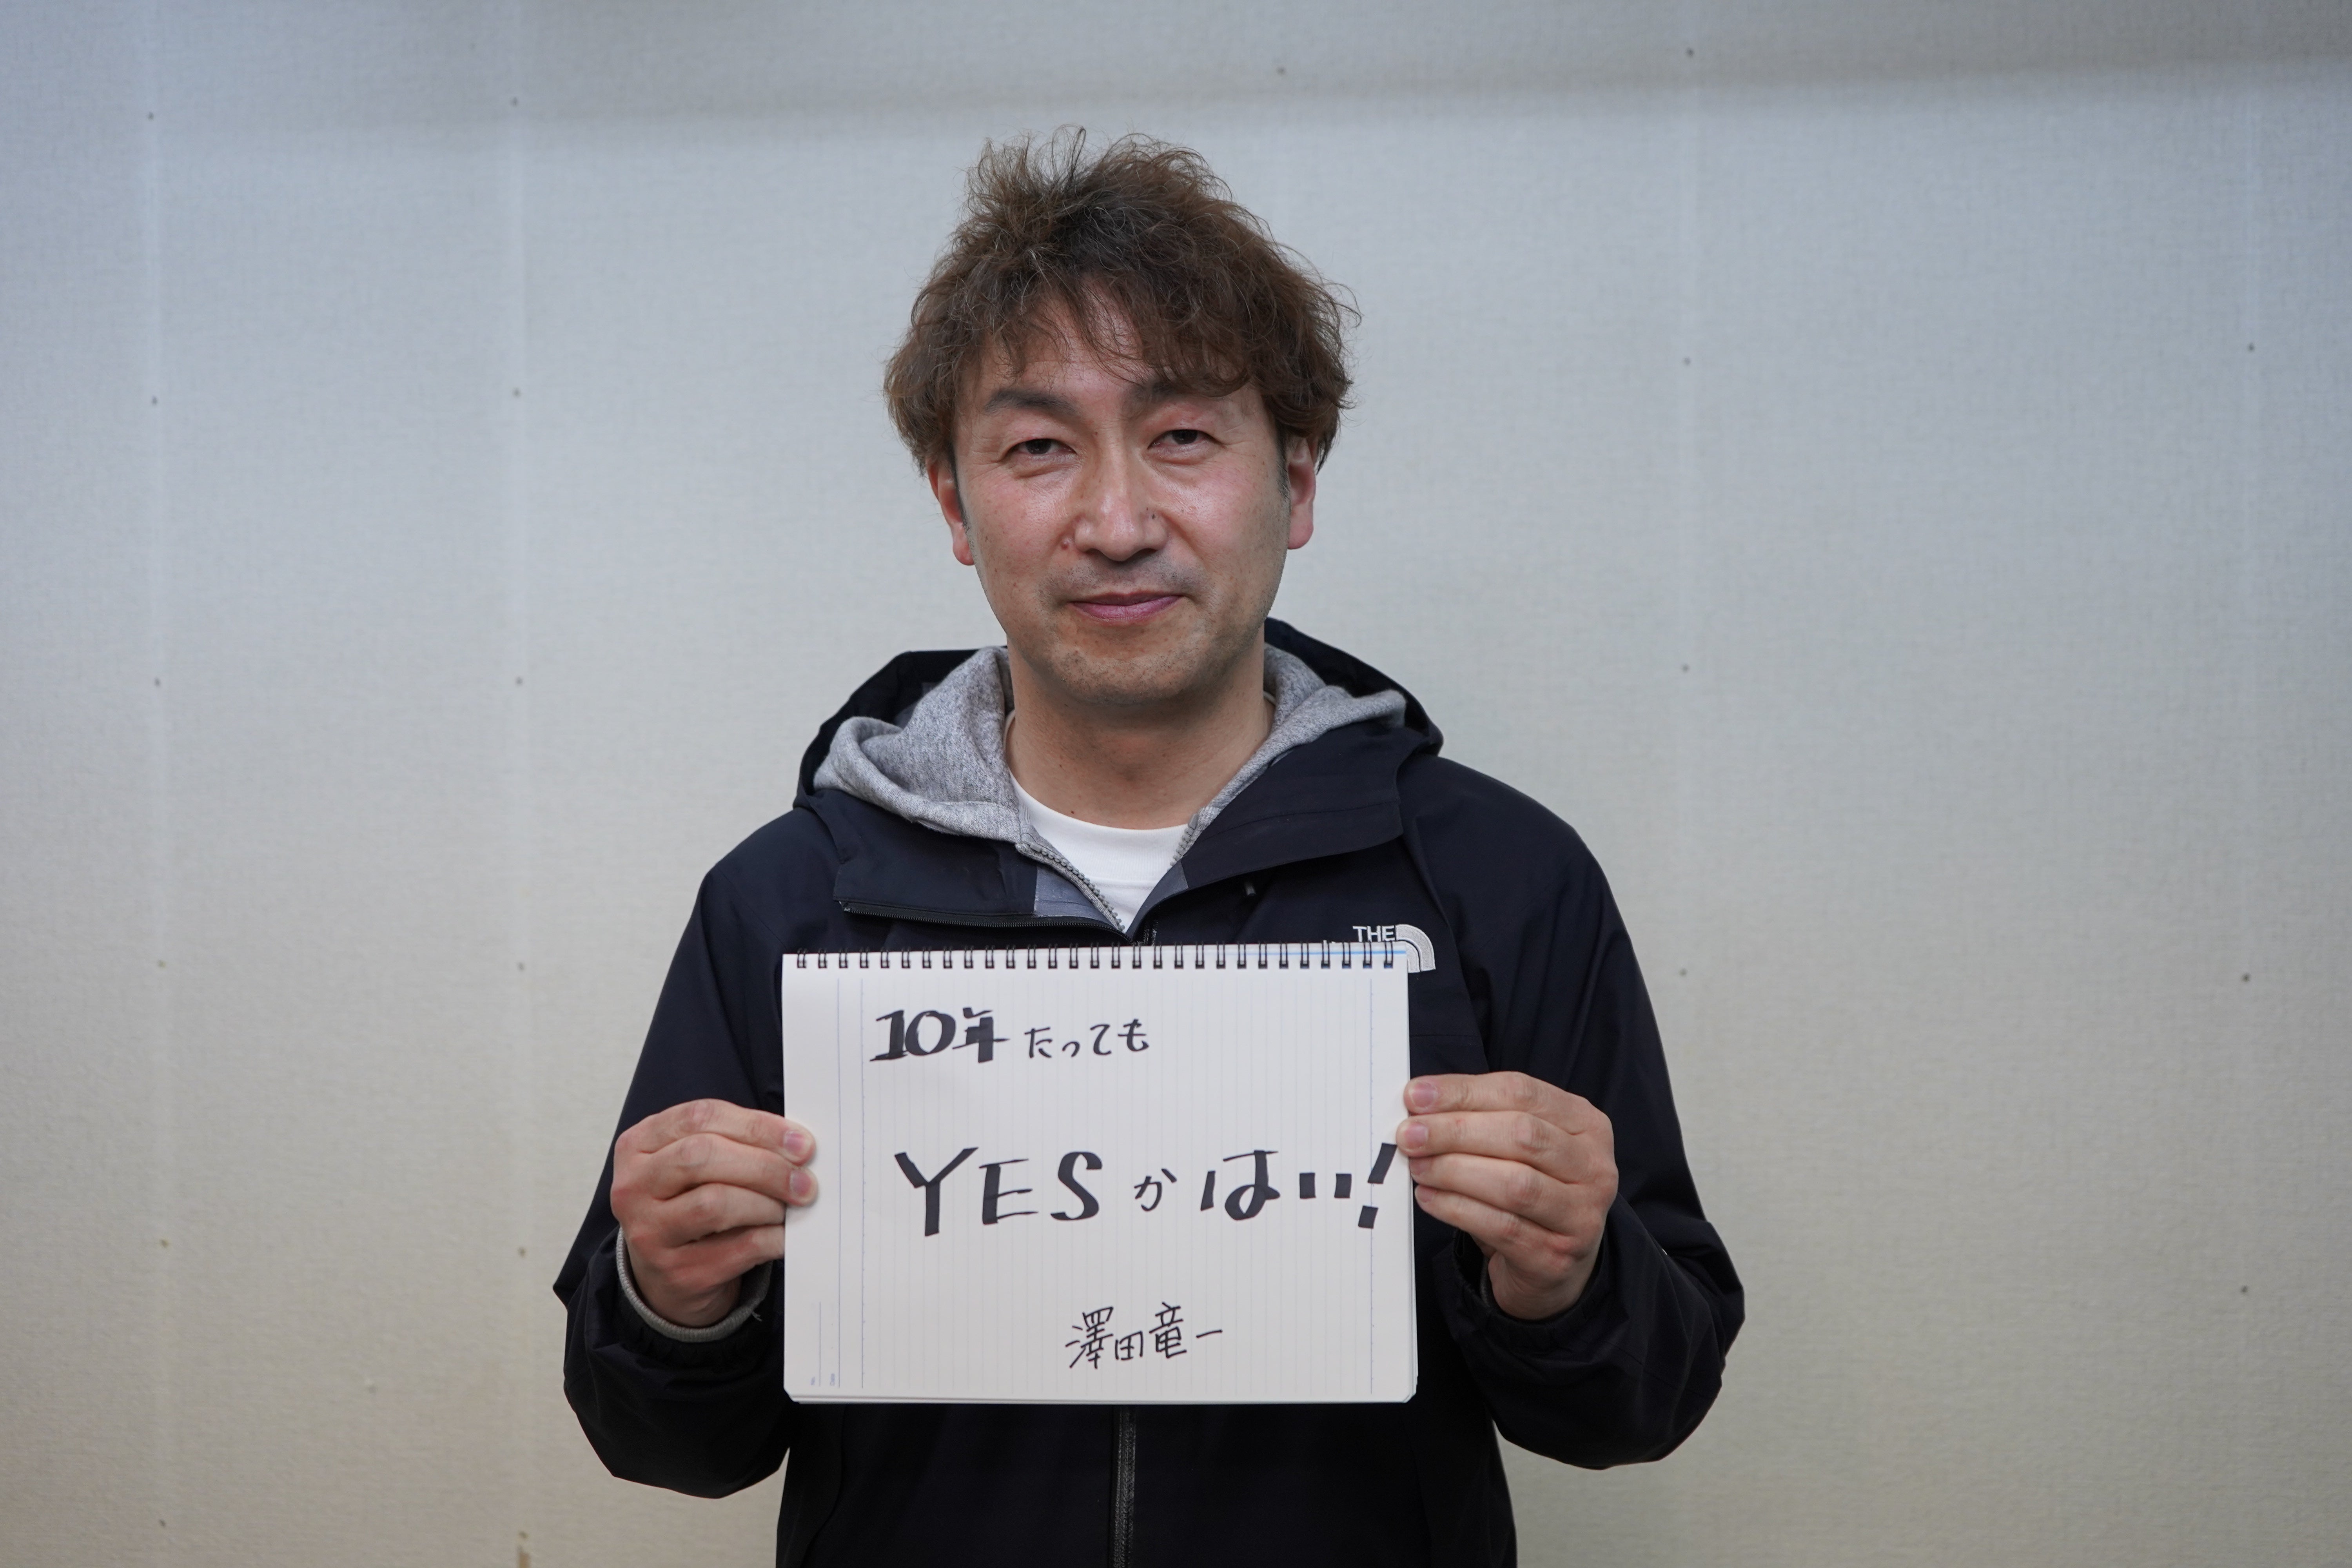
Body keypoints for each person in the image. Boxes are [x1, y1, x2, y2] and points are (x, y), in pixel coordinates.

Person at [555, 131, 1740, 1568]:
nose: (1116, 523)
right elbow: (669, 1446)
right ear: (955, 505)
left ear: (1297, 479)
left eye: (1183, 437)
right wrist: (675, 1299)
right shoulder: (791, 897)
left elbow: (1641, 1408)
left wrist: (1568, 1275)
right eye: (1038, 448)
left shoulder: (1501, 877)